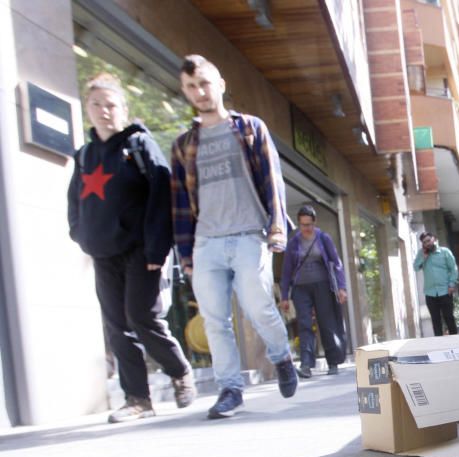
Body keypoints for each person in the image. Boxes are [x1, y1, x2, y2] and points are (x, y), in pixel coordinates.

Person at [170, 55, 297, 419]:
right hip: (206, 242)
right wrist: (186, 254)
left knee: (259, 307)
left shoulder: (250, 128)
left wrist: (276, 230)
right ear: (185, 91)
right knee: (215, 321)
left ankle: (281, 356)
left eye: (205, 83)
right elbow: (178, 201)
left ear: (220, 84)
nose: (200, 92)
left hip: (248, 235)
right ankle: (230, 389)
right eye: (192, 87)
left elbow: (273, 181)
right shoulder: (183, 145)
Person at [68, 73, 195, 423]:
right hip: (103, 252)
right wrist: (81, 235)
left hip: (141, 250)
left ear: (123, 108)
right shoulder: (85, 155)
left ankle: (179, 370)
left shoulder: (138, 144)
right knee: (115, 326)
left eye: (111, 105)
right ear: (88, 109)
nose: (104, 111)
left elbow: (161, 195)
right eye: (96, 105)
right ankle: (138, 399)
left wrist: (157, 249)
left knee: (142, 317)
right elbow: (74, 202)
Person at [279, 205, 348, 377]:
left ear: (314, 222)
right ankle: (306, 365)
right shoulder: (294, 242)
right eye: (303, 225)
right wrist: (285, 296)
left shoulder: (323, 238)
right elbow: (286, 271)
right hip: (301, 288)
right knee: (304, 324)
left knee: (327, 323)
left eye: (309, 224)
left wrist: (341, 287)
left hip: (323, 285)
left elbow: (336, 263)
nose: (306, 228)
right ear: (299, 224)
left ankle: (333, 362)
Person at [412, 231, 459, 336]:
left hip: (445, 291)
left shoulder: (445, 252)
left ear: (434, 239)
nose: (427, 244)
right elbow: (415, 267)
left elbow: (453, 269)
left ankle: (456, 341)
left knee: (449, 318)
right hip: (430, 293)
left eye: (429, 240)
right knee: (435, 320)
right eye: (424, 242)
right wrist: (423, 258)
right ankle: (439, 344)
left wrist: (451, 284)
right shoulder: (422, 253)